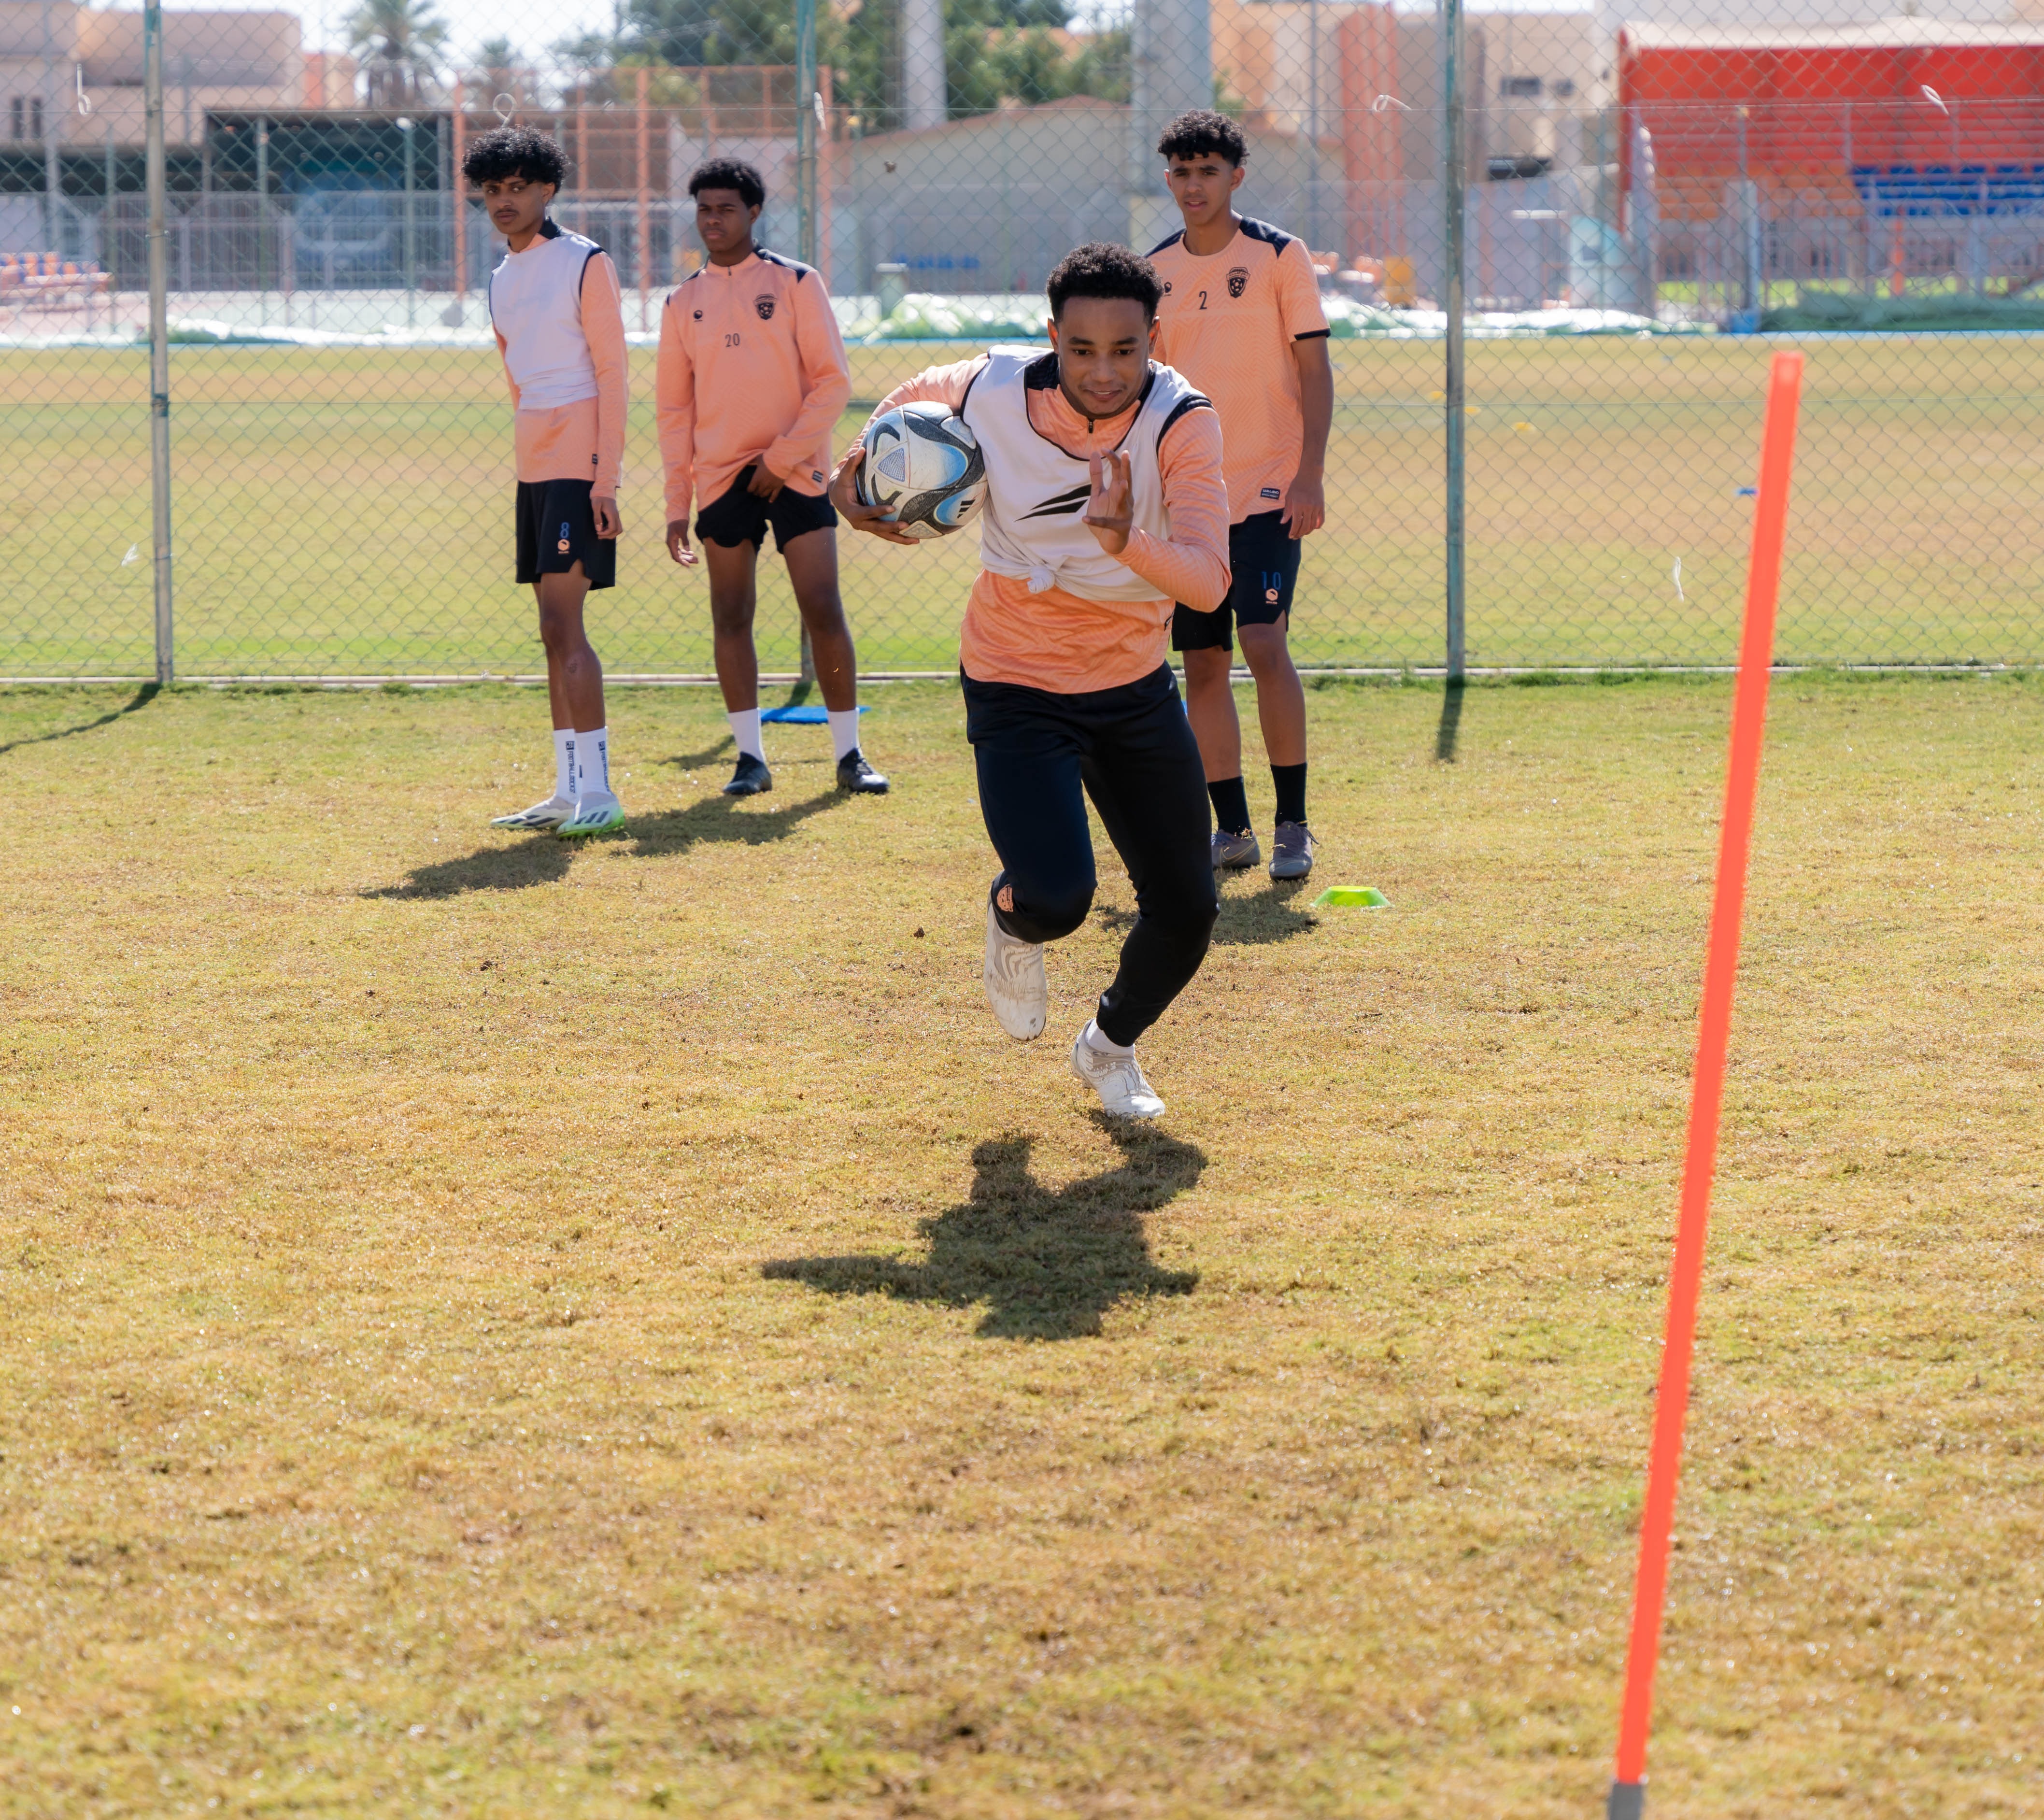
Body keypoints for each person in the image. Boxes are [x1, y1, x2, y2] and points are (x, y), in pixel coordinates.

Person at [829, 243, 1227, 1119]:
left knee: (1189, 909)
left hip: (1131, 684)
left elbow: (1208, 582)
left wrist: (1126, 542)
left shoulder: (1182, 421)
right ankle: (1013, 922)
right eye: (1081, 350)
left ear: (1155, 341)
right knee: (1055, 899)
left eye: (1125, 350)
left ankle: (1109, 1047)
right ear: (1053, 337)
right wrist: (850, 470)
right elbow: (912, 395)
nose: (1103, 371)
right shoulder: (993, 384)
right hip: (1014, 677)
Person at [657, 158, 887, 796]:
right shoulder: (681, 302)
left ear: (754, 212)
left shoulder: (796, 282)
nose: (713, 220)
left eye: (726, 209)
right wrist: (677, 502)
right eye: (704, 209)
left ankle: (850, 755)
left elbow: (833, 384)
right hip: (721, 478)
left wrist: (780, 459)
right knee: (731, 614)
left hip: (797, 472)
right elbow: (674, 411)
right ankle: (750, 759)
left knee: (822, 607)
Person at [1148, 109, 1334, 882]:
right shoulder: (1153, 271)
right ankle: (1232, 830)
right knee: (1202, 664)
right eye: (1182, 172)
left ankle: (1294, 824)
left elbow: (1315, 370)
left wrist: (1309, 474)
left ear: (1237, 177)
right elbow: (1146, 391)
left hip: (1268, 490)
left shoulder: (1280, 256)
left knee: (1263, 643)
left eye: (1209, 172)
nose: (1194, 186)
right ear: (1169, 179)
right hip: (1190, 502)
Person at [469, 125, 628, 838]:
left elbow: (613, 375)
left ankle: (600, 792)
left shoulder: (585, 262)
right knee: (549, 630)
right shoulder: (501, 278)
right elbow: (516, 380)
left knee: (567, 625)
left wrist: (604, 480)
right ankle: (566, 792)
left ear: (547, 189)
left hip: (578, 464)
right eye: (492, 190)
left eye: (518, 188)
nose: (504, 200)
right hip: (534, 464)